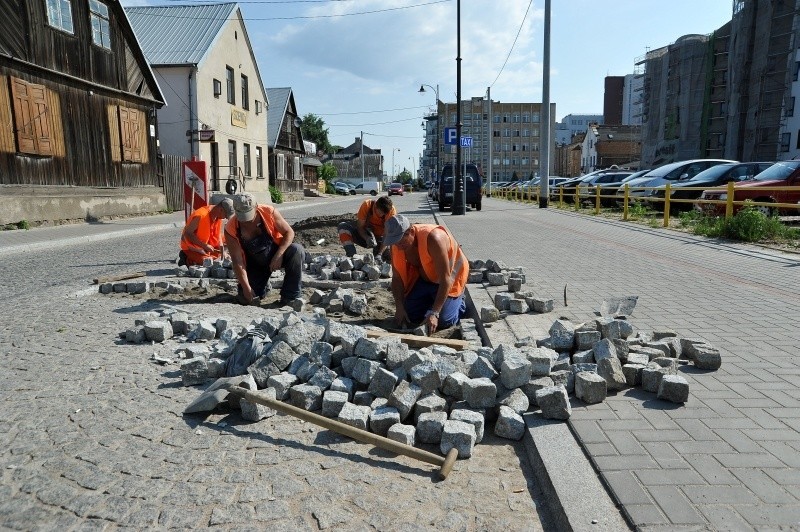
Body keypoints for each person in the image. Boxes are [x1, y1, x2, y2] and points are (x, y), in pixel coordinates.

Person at [383, 214, 468, 334]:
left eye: (401, 241)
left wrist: (434, 313)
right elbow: (397, 278)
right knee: (409, 315)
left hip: (451, 279)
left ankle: (459, 301)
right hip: (426, 279)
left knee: (444, 321)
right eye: (395, 242)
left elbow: (445, 279)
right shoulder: (396, 244)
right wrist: (399, 307)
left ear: (411, 231)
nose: (398, 246)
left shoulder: (434, 239)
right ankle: (433, 301)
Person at [225, 193, 305, 305]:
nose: (245, 221)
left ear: (256, 207)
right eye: (241, 216)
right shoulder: (231, 228)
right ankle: (264, 287)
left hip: (276, 253)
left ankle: (290, 296)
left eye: (248, 215)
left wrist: (279, 255)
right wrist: (246, 288)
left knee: (297, 250)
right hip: (254, 264)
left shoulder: (268, 212)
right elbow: (237, 261)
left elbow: (289, 232)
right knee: (246, 298)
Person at [178, 199, 234, 266]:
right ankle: (186, 258)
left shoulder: (217, 216)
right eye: (225, 215)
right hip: (192, 247)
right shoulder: (201, 215)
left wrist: (222, 250)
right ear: (221, 210)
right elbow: (188, 234)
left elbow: (218, 234)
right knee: (207, 262)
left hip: (207, 244)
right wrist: (205, 246)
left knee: (231, 239)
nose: (225, 218)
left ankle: (212, 255)